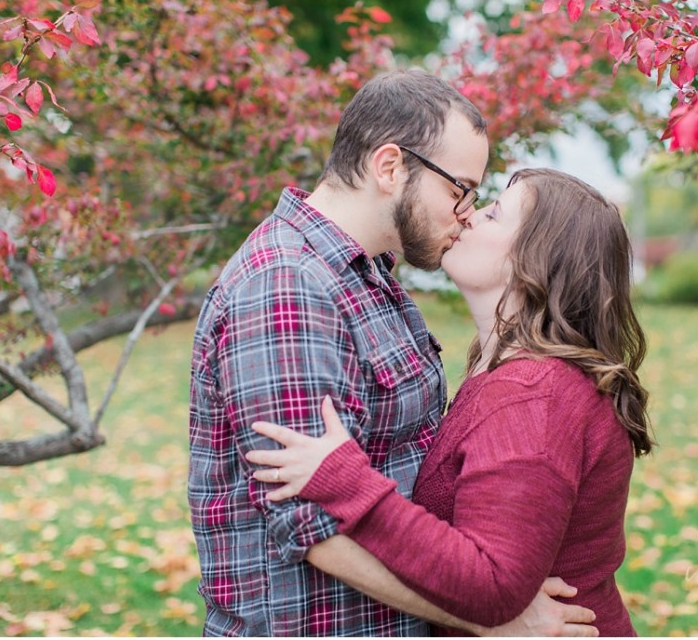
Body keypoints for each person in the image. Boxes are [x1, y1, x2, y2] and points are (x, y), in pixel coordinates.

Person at [188, 70, 597, 636]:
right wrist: (494, 621)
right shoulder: (288, 287)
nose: (465, 212)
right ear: (389, 167)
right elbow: (313, 530)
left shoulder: (369, 274)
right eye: (459, 188)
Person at [246, 168, 654, 636]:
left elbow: (495, 586)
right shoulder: (511, 373)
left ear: (536, 261)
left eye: (495, 213)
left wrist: (348, 484)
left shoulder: (530, 395)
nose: (470, 215)